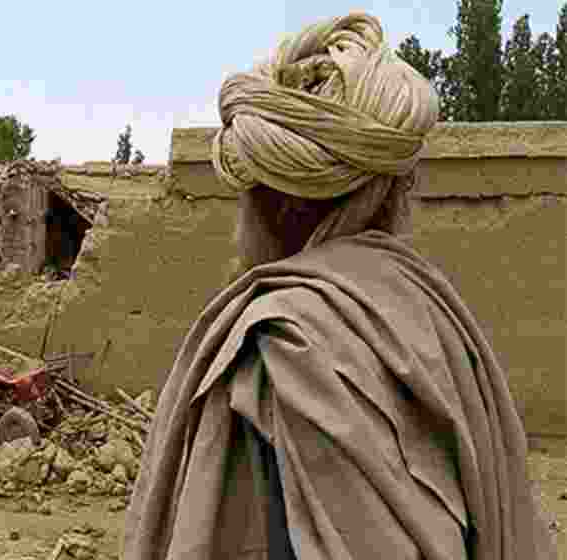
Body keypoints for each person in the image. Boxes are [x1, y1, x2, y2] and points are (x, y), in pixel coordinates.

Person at [123, 13, 553, 560]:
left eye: (244, 201)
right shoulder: (432, 315)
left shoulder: (284, 345)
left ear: (275, 204)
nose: (237, 231)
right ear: (398, 190)